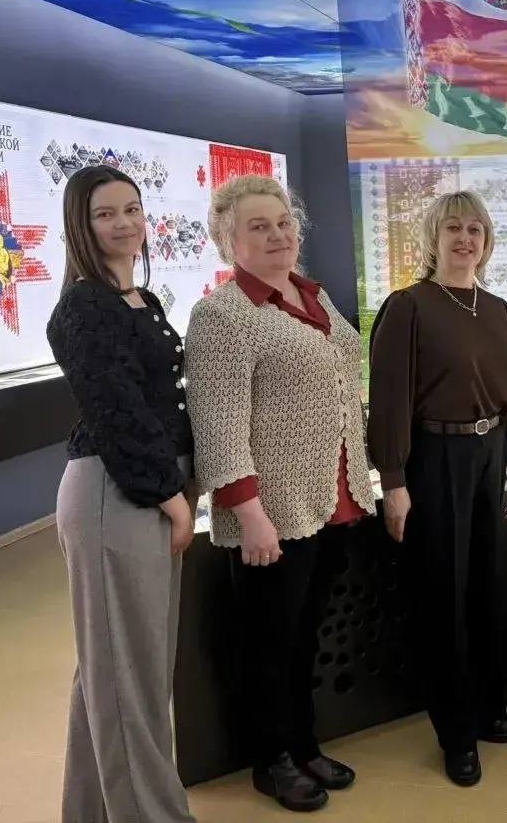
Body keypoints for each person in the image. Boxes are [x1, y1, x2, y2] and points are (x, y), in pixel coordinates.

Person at [183, 175, 375, 814]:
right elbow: (217, 422)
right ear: (228, 240)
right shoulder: (223, 315)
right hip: (273, 511)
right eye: (258, 227)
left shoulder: (312, 295)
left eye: (284, 223)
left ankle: (303, 745)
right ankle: (272, 762)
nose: (276, 235)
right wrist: (249, 514)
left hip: (331, 499)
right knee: (268, 643)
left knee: (304, 636)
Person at [45, 166, 197, 823]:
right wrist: (171, 495)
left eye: (131, 208)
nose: (124, 223)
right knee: (127, 682)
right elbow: (117, 412)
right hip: (117, 494)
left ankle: (91, 812)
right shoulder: (83, 307)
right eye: (105, 213)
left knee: (118, 673)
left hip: (148, 490)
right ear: (80, 226)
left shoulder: (142, 299)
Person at [368, 190, 507, 788]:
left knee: (488, 587)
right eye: (453, 229)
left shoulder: (497, 308)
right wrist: (394, 481)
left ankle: (487, 707)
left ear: (487, 242)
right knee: (445, 596)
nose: (465, 239)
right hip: (435, 459)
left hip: (490, 458)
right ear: (433, 239)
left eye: (475, 230)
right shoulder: (408, 306)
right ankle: (456, 732)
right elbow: (389, 399)